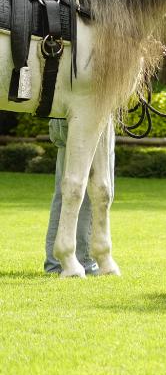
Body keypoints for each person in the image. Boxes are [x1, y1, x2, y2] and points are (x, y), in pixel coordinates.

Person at [44, 117, 114, 276]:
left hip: (64, 118)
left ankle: (56, 262)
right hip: (87, 116)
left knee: (67, 192)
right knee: (89, 191)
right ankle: (83, 260)